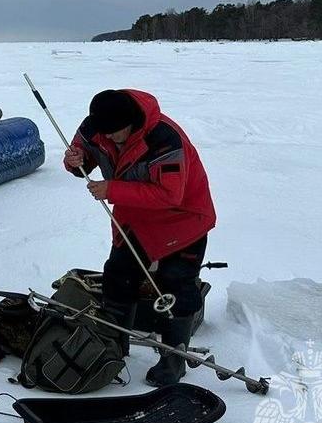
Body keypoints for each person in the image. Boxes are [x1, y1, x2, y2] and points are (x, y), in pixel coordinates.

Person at [63, 89, 216, 387]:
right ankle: (114, 346)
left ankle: (174, 360)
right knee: (118, 277)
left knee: (175, 283)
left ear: (132, 122)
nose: (111, 138)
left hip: (183, 219)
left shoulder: (165, 140)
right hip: (133, 219)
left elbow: (171, 194)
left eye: (117, 133)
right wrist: (74, 161)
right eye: (106, 133)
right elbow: (82, 157)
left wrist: (112, 190)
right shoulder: (96, 126)